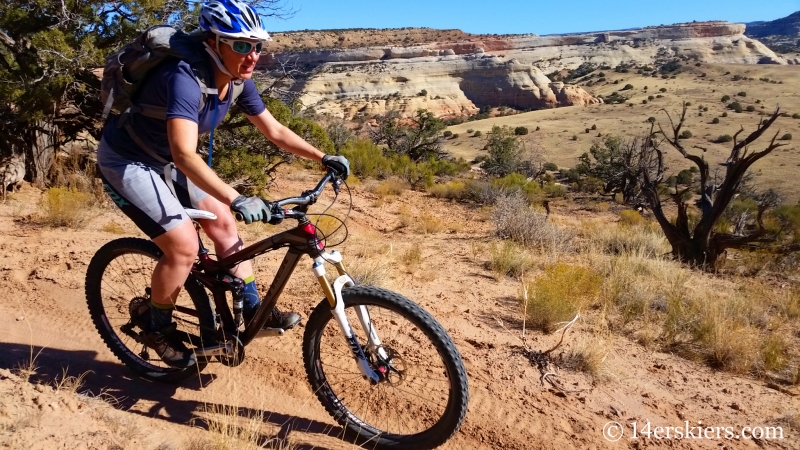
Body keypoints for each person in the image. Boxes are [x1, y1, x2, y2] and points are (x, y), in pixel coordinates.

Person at [96, 0, 350, 368]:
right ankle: (157, 326)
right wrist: (236, 197)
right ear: (214, 43)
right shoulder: (183, 78)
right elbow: (185, 155)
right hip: (128, 160)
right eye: (242, 45)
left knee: (224, 225)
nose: (253, 56)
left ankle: (251, 309)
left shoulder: (236, 80)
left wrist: (322, 156)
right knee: (183, 246)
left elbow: (275, 130)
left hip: (167, 159)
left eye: (258, 46)